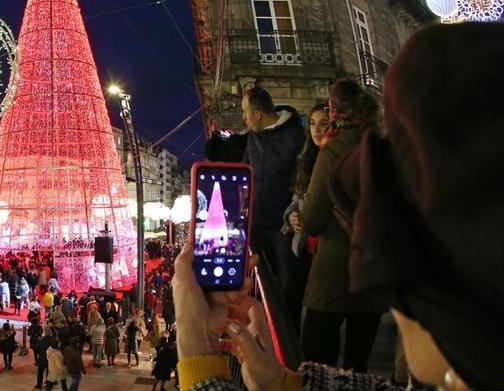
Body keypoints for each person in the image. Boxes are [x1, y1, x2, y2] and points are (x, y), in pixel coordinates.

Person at [170, 23, 504, 390]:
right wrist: (286, 384)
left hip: (329, 281)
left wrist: (196, 346)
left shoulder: (334, 151)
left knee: (316, 343)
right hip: (351, 296)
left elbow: (311, 217)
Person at [300, 80, 384, 372]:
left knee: (317, 361)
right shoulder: (384, 145)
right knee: (358, 365)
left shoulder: (335, 150)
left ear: (334, 110)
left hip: (334, 273)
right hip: (374, 270)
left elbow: (311, 219)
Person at [241, 86, 304, 302]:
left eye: (246, 113)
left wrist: (293, 214)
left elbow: (303, 180)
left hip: (283, 228)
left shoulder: (296, 135)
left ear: (258, 114)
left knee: (288, 289)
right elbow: (244, 172)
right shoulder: (253, 137)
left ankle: (290, 334)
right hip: (257, 225)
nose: (244, 118)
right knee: (259, 286)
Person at [280, 101, 329, 334]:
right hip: (304, 247)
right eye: (312, 124)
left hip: (328, 249)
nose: (317, 129)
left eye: (323, 124)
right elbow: (295, 199)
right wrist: (291, 216)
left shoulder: (336, 158)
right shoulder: (307, 158)